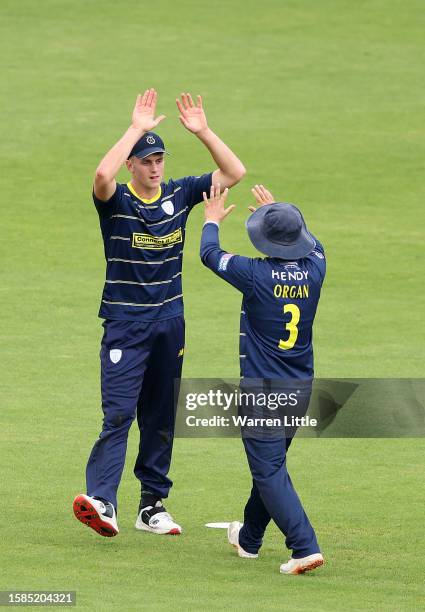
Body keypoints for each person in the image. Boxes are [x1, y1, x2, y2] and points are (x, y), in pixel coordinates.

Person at [73, 89, 246, 537]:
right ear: (131, 165)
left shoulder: (180, 193)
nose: (154, 167)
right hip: (125, 326)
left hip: (170, 323)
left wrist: (203, 131)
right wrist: (136, 128)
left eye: (159, 160)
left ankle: (152, 506)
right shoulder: (116, 204)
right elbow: (99, 174)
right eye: (145, 160)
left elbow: (234, 172)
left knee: (161, 413)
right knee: (118, 414)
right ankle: (103, 501)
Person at [200, 184, 326, 574]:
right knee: (269, 469)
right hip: (300, 389)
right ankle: (249, 539)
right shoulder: (317, 267)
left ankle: (304, 546)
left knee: (269, 472)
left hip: (263, 393)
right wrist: (280, 215)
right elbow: (315, 244)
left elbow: (210, 255)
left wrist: (211, 220)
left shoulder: (255, 274)